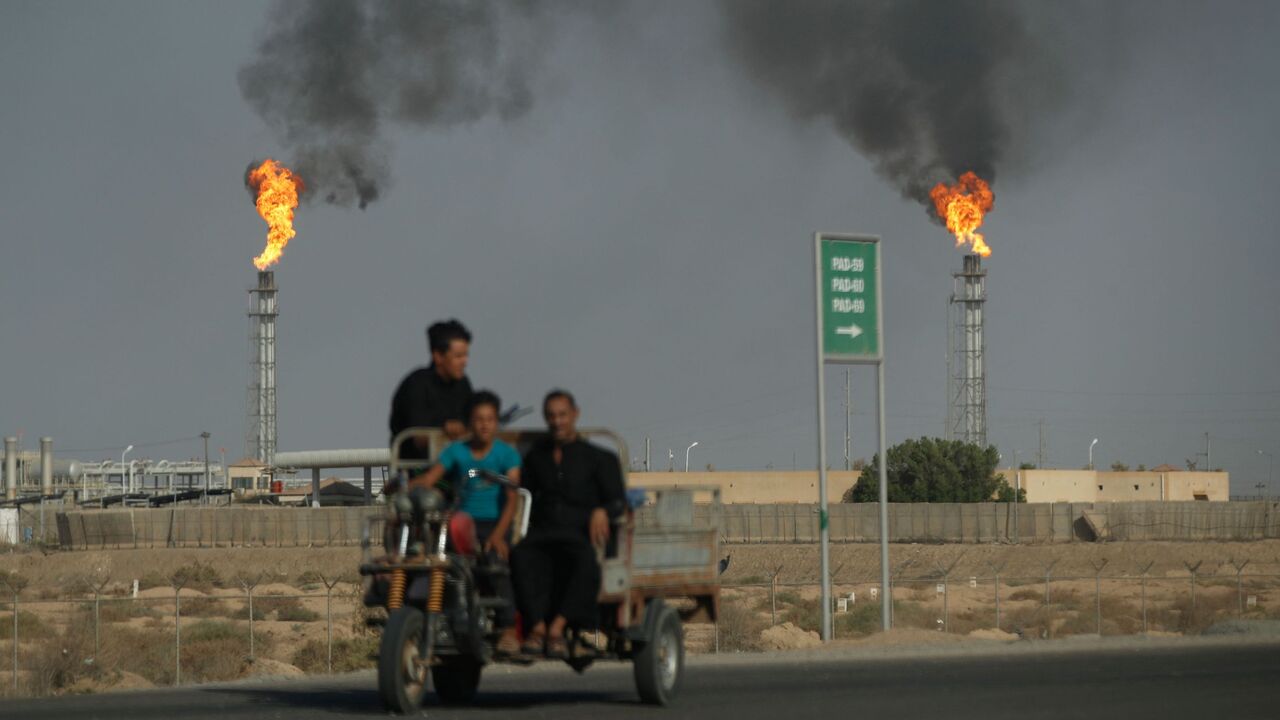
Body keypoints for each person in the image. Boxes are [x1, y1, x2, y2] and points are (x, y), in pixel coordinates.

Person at [511, 389, 626, 658]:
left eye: (563, 415)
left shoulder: (599, 458)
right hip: (542, 533)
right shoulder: (536, 457)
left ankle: (558, 629)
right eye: (551, 416)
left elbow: (618, 501)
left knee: (585, 564)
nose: (557, 421)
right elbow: (522, 492)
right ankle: (537, 628)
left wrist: (601, 511)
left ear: (575, 415)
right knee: (519, 556)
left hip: (580, 534)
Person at [415, 390, 522, 656]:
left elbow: (512, 498)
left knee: (497, 564)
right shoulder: (457, 452)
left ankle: (508, 628)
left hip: (494, 525)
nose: (484, 424)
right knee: (437, 564)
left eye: (489, 419)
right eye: (478, 419)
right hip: (461, 523)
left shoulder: (506, 455)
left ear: (496, 422)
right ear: (469, 422)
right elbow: (430, 478)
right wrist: (406, 488)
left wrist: (498, 536)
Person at [389, 319, 473, 468]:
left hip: (458, 471)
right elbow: (418, 438)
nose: (465, 362)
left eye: (466, 356)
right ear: (438, 356)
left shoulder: (463, 385)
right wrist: (446, 431)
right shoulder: (416, 385)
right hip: (417, 473)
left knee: (486, 478)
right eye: (459, 356)